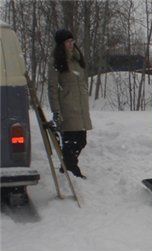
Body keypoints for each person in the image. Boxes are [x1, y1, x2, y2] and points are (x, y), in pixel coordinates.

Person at [47, 29, 92, 178]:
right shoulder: (56, 61)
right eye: (67, 42)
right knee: (71, 141)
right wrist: (56, 111)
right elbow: (52, 88)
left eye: (72, 41)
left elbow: (81, 82)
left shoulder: (77, 59)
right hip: (67, 107)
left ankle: (66, 167)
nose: (71, 44)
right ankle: (72, 169)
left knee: (81, 140)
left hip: (80, 106)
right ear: (61, 44)